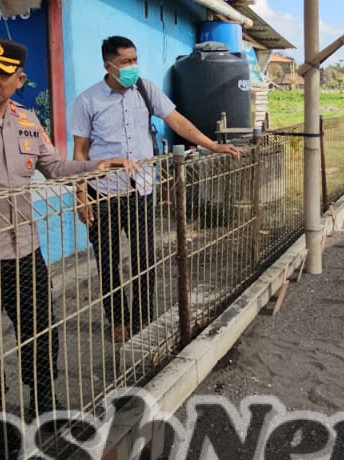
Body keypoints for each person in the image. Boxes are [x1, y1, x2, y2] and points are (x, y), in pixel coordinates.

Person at [0, 37, 134, 429]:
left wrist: (96, 166)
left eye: (2, 73)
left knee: (41, 333)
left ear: (19, 80)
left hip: (25, 254)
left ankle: (45, 405)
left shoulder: (29, 121)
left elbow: (55, 168)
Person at [70, 35, 243, 341]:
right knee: (108, 261)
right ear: (108, 66)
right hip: (103, 192)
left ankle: (142, 319)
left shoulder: (145, 90)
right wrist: (82, 196)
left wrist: (212, 145)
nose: (132, 66)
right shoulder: (87, 101)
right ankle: (118, 320)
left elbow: (177, 121)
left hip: (141, 189)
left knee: (144, 259)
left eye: (134, 60)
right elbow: (80, 152)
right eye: (125, 62)